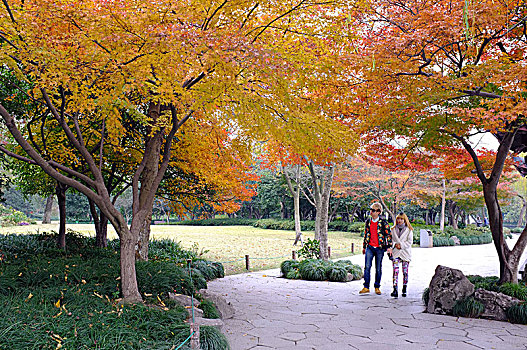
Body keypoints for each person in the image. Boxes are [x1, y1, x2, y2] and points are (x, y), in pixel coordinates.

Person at [359, 202, 392, 295]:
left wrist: (389, 247)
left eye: (373, 210)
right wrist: (364, 246)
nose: (371, 212)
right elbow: (366, 234)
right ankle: (366, 287)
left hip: (379, 248)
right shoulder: (368, 222)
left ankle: (377, 286)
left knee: (378, 268)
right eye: (371, 210)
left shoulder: (383, 222)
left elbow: (388, 234)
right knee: (367, 267)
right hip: (370, 247)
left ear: (378, 212)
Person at [390, 213, 413, 298]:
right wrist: (395, 244)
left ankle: (404, 287)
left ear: (404, 220)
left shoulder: (409, 230)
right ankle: (395, 289)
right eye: (398, 219)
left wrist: (402, 245)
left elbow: (410, 242)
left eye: (401, 219)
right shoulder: (392, 229)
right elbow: (390, 239)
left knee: (405, 272)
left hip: (405, 253)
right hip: (396, 252)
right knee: (395, 271)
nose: (400, 221)